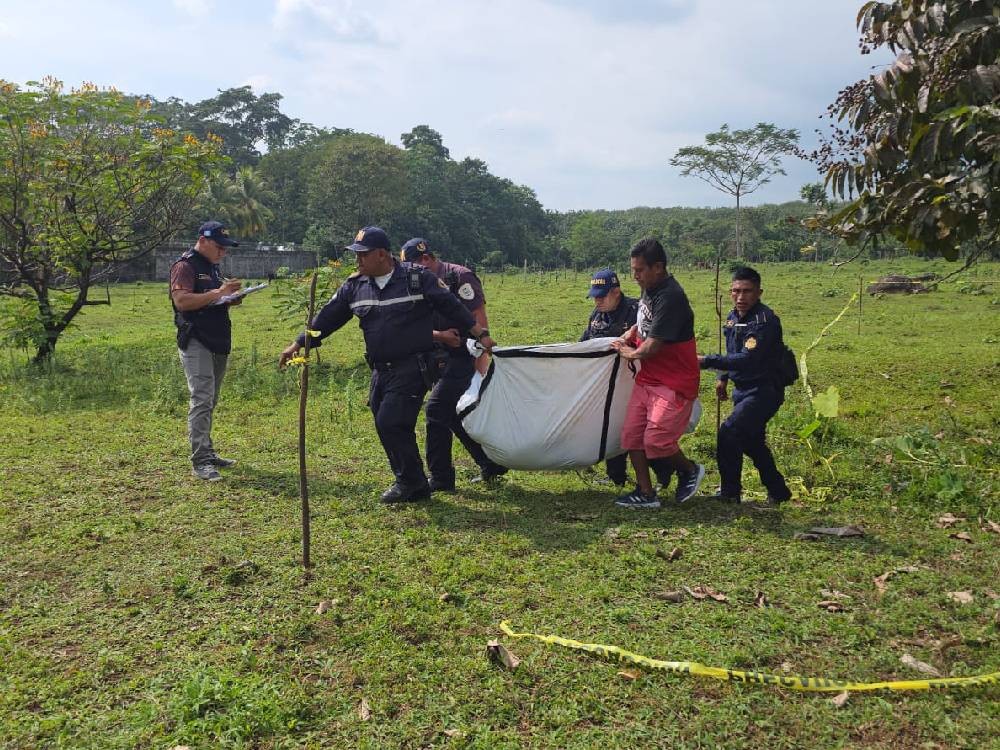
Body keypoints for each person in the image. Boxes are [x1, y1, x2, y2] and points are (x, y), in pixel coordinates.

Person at [279, 227, 496, 504]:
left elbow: (452, 306)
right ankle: (414, 483)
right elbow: (327, 319)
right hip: (380, 369)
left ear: (382, 254)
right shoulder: (355, 286)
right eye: (355, 255)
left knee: (391, 421)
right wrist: (299, 343)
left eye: (363, 255)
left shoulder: (416, 279)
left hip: (413, 366)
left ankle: (411, 483)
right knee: (385, 423)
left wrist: (481, 334)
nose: (357, 261)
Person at [400, 238, 508, 489]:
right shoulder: (416, 282)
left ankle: (441, 478)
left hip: (464, 354)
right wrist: (439, 337)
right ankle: (490, 462)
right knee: (449, 413)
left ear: (426, 259)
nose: (410, 273)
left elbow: (479, 319)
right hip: (436, 354)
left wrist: (479, 364)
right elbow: (412, 325)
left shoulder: (459, 277)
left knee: (436, 410)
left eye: (413, 266)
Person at [611, 239, 705, 509]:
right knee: (631, 436)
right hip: (648, 379)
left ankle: (688, 470)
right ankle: (645, 492)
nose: (635, 276)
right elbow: (645, 325)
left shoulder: (671, 296)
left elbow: (652, 347)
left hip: (673, 381)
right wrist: (630, 334)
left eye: (640, 270)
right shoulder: (649, 289)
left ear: (658, 267)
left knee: (657, 441)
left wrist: (627, 352)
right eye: (633, 269)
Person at [699, 266, 792, 504]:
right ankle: (778, 491)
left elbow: (747, 358)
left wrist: (707, 361)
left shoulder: (765, 322)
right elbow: (732, 352)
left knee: (729, 432)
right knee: (752, 442)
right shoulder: (732, 318)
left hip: (763, 390)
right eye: (736, 291)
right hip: (742, 389)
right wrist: (722, 377)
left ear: (759, 292)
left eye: (747, 291)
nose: (740, 297)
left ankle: (730, 493)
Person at [581, 268, 674, 491]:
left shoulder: (636, 311)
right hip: (604, 385)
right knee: (613, 425)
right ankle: (617, 476)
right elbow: (584, 344)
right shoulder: (596, 316)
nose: (597, 301)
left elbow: (649, 343)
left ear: (616, 292)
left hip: (633, 382)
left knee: (638, 430)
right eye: (594, 296)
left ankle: (665, 471)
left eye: (601, 296)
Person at [169, 220, 243, 481]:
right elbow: (181, 301)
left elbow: (211, 297)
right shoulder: (185, 266)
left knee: (210, 399)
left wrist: (228, 298)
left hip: (218, 338)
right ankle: (200, 460)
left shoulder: (212, 267)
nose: (223, 252)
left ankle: (208, 451)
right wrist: (217, 293)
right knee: (201, 398)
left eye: (225, 248)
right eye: (219, 247)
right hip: (196, 338)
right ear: (203, 240)